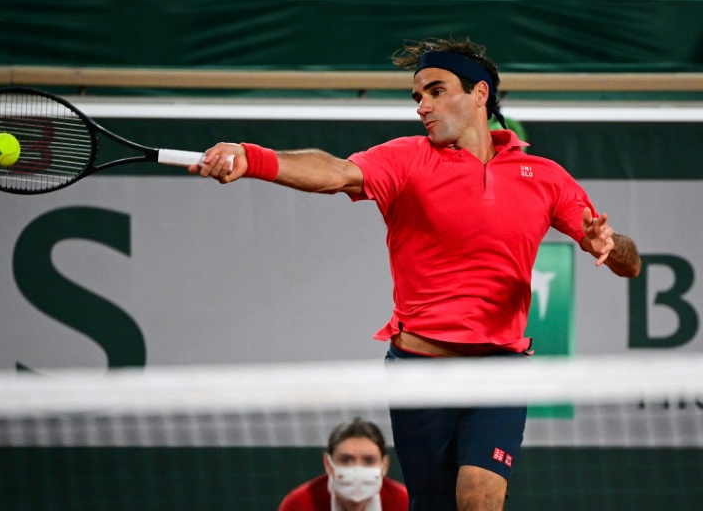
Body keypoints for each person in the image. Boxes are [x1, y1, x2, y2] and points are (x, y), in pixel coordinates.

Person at [190, 37, 642, 511]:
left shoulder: (544, 175)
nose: (422, 106)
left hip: (500, 369)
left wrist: (609, 247)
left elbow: (629, 263)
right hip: (419, 372)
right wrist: (253, 159)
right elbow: (335, 173)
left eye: (436, 91)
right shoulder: (405, 159)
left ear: (480, 94)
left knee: (479, 496)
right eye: (418, 96)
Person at [279, 417, 409, 511]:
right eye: (346, 460)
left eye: (369, 460)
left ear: (384, 466)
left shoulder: (405, 503)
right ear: (328, 464)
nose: (357, 470)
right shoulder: (299, 504)